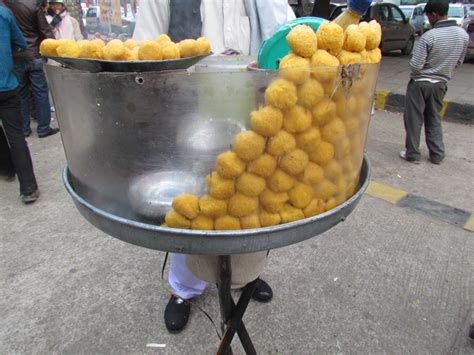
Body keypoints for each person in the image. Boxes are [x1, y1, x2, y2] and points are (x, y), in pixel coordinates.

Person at [133, 0, 294, 333]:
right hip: (189, 116)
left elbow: (285, 32)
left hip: (251, 113)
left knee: (250, 197)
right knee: (192, 200)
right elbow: (144, 51)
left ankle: (245, 275)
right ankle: (184, 289)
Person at [400, 0, 468, 165]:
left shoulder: (429, 36)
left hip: (420, 83)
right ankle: (437, 154)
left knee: (413, 119)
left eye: (428, 16)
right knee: (433, 118)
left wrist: (424, 70)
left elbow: (416, 66)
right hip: (440, 84)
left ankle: (413, 154)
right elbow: (458, 62)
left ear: (435, 14)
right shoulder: (463, 36)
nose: (428, 19)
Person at [0, 3, 40, 203]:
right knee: (16, 136)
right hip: (6, 85)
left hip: (6, 84)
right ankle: (28, 188)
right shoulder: (3, 13)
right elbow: (20, 43)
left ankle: (7, 169)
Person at [4, 0, 59, 138]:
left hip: (16, 56)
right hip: (34, 53)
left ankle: (24, 128)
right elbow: (45, 30)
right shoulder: (32, 4)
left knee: (21, 93)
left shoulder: (5, 5)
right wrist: (55, 49)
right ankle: (43, 128)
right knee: (40, 91)